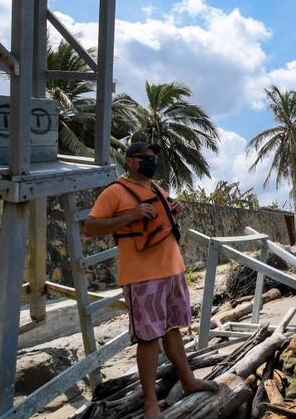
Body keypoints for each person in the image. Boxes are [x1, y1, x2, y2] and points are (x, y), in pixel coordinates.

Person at [84, 142, 217, 418]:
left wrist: (175, 210)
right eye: (145, 157)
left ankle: (188, 380)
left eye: (153, 157)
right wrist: (131, 215)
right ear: (129, 161)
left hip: (172, 270)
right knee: (148, 338)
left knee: (173, 329)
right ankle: (150, 403)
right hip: (142, 277)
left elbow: (163, 220)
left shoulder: (157, 189)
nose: (151, 161)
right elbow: (90, 227)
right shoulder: (115, 192)